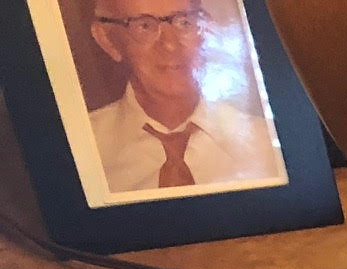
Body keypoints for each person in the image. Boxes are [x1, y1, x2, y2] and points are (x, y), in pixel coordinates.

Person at [87, 0, 284, 195]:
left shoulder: (269, 144)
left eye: (184, 22)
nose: (170, 45)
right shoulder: (84, 151)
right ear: (108, 40)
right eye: (144, 26)